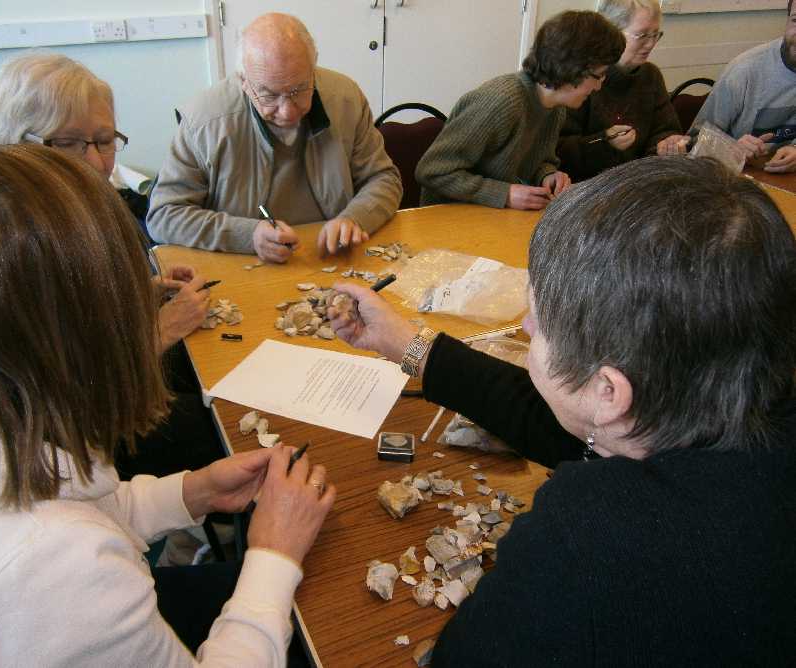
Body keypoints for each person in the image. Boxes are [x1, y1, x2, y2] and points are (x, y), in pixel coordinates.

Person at [328, 156, 796, 664]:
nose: (526, 327)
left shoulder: (589, 538)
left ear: (608, 392)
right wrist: (408, 344)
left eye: (539, 320)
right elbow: (571, 428)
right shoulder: (731, 404)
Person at [0, 144, 335, 666]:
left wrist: (193, 492)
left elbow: (67, 503)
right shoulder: (55, 569)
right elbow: (63, 542)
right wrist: (274, 554)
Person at [0, 53, 222, 480]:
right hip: (75, 437)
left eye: (105, 141)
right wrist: (162, 329)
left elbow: (84, 315)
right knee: (221, 427)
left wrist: (143, 292)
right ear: (20, 142)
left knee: (215, 374)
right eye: (69, 143)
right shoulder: (15, 241)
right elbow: (59, 393)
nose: (98, 163)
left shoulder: (77, 204)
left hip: (118, 383)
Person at [146, 12, 402, 263]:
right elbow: (164, 215)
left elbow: (384, 179)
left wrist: (354, 218)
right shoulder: (204, 122)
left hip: (331, 258)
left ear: (313, 69)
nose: (287, 111)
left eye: (299, 89)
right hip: (242, 266)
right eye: (269, 95)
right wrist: (247, 235)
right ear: (244, 81)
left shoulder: (346, 99)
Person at [414, 11, 624, 211]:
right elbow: (432, 171)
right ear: (573, 69)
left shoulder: (556, 107)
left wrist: (547, 175)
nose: (599, 86)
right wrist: (504, 194)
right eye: (599, 75)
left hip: (491, 213)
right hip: (448, 216)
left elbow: (538, 161)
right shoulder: (501, 101)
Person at [557, 0, 689, 181]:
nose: (650, 44)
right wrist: (605, 142)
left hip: (637, 181)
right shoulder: (582, 77)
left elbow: (664, 129)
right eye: (642, 35)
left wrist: (667, 143)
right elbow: (559, 151)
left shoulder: (651, 76)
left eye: (655, 34)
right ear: (611, 33)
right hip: (587, 185)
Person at [690, 0, 796, 173]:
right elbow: (692, 142)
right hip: (733, 177)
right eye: (795, 20)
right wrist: (732, 149)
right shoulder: (744, 71)